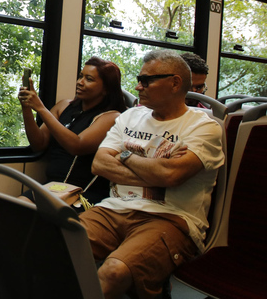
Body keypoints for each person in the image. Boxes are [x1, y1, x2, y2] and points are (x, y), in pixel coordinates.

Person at [79, 49, 223, 299]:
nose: (137, 87)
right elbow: (99, 164)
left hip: (170, 219)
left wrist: (124, 154)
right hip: (113, 209)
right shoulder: (130, 116)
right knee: (52, 247)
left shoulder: (204, 127)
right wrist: (154, 171)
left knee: (113, 272)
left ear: (175, 83)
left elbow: (170, 175)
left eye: (146, 80)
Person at [18, 56, 127, 208]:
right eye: (80, 76)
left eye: (89, 79)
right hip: (53, 187)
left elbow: (77, 145)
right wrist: (27, 108)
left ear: (106, 89)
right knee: (17, 207)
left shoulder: (111, 117)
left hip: (82, 193)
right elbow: (39, 143)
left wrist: (41, 109)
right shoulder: (63, 106)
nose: (80, 82)